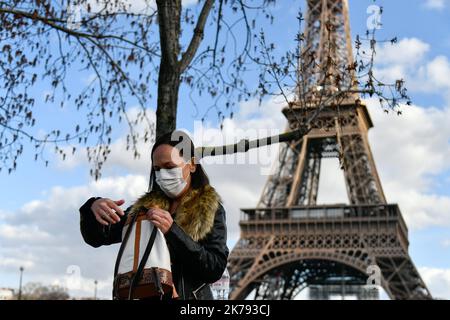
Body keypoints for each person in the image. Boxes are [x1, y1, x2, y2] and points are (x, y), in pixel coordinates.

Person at [79, 130, 229, 300]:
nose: (163, 174)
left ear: (192, 164)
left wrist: (172, 231)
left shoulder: (210, 209)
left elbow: (214, 269)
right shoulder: (144, 209)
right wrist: (92, 207)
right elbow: (97, 238)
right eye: (157, 169)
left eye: (170, 167)